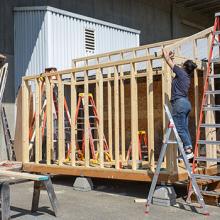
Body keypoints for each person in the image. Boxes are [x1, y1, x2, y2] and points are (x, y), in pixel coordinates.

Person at [162, 49, 197, 160]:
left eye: (183, 65)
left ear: (185, 67)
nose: (181, 65)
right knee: (184, 128)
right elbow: (174, 65)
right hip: (186, 104)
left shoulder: (181, 73)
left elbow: (168, 61)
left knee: (179, 128)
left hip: (180, 103)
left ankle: (188, 150)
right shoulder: (186, 76)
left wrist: (166, 53)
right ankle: (189, 149)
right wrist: (172, 56)